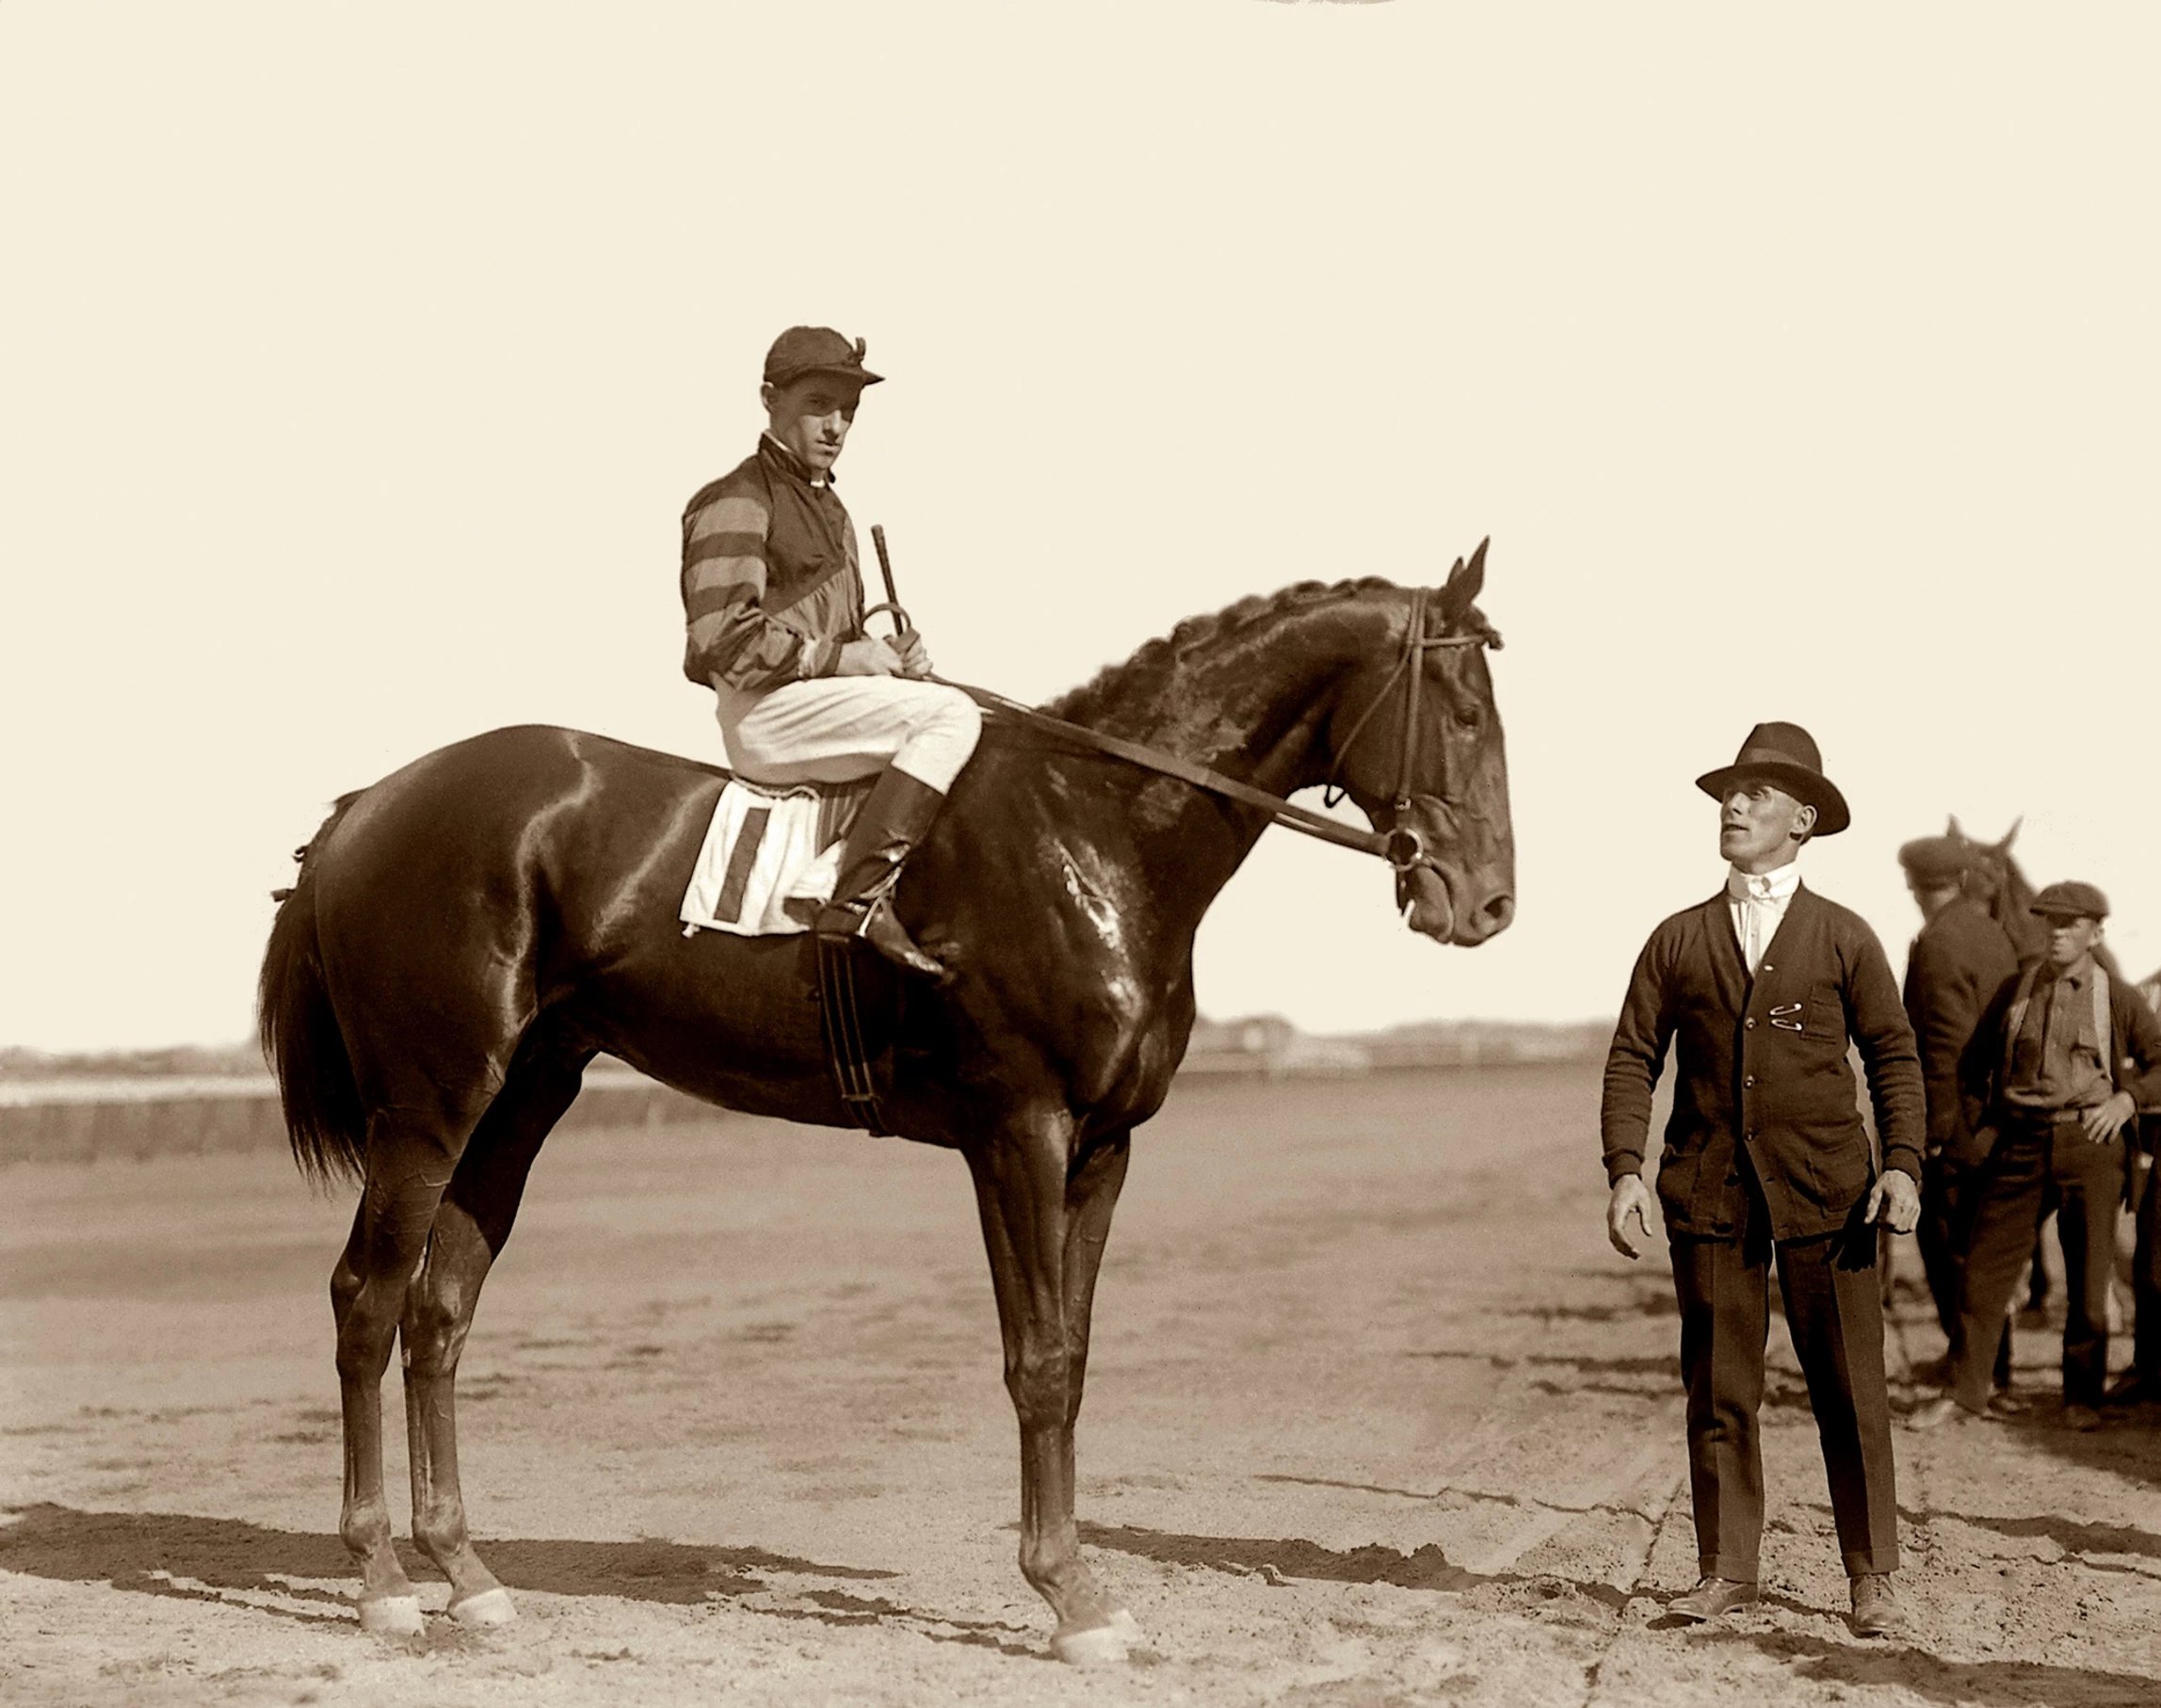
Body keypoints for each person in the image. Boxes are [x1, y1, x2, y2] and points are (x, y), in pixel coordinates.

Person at [1602, 722, 1924, 1639]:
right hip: (1708, 1192)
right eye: (1727, 793)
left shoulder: (1845, 935)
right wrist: (1625, 1169)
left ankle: (1872, 1576)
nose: (1733, 805)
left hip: (1831, 1193)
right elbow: (1632, 1058)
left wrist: (1901, 1164)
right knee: (1719, 1386)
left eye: (1756, 792)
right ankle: (1724, 1568)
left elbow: (1894, 1056)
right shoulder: (1677, 938)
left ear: (1804, 818)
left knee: (1850, 1386)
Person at [678, 327, 982, 977]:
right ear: (769, 399)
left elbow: (839, 640)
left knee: (963, 714)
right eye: (819, 404)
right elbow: (721, 641)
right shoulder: (735, 500)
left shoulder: (832, 512)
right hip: (765, 715)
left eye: (848, 412)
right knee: (951, 718)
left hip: (806, 700)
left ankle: (828, 874)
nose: (836, 425)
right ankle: (854, 899)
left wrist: (889, 658)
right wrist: (847, 662)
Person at [1913, 882, 2161, 1430]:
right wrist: (1983, 1134)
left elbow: (2158, 1061)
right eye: (2050, 922)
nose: (2057, 932)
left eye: (2071, 923)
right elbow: (1971, 1067)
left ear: (2097, 932)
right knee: (1982, 1274)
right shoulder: (2016, 989)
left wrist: (2127, 1100)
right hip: (2020, 1144)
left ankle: (2081, 1399)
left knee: (2088, 1279)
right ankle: (1967, 1392)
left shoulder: (2117, 996)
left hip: (2091, 1145)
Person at [1897, 836, 2019, 1385]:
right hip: (1994, 1113)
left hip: (1958, 1120)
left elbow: (1944, 1042)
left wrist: (1935, 1128)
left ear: (1914, 886)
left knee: (1948, 1244)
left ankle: (1973, 1365)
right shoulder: (1989, 931)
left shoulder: (1939, 941)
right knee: (1980, 1246)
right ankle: (1989, 1364)